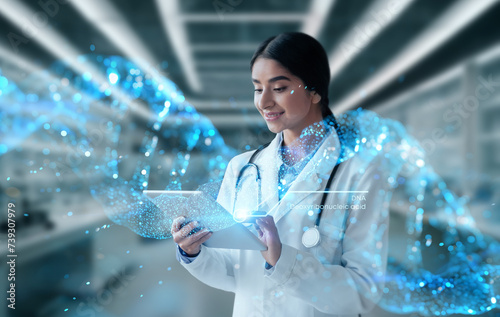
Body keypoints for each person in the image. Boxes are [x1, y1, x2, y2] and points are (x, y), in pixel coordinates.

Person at [171, 32, 390, 317]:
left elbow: (362, 294)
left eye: (279, 88)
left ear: (315, 91)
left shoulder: (359, 174)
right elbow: (232, 271)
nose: (264, 103)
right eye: (257, 88)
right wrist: (194, 252)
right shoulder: (242, 169)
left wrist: (282, 260)